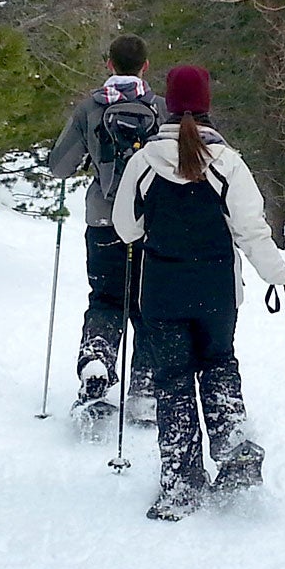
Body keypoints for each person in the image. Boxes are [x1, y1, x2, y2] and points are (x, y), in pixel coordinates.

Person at [111, 64, 285, 521]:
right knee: (218, 366)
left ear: (168, 105)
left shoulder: (143, 162)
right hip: (216, 292)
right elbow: (251, 230)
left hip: (161, 291)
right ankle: (234, 448)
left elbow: (125, 226)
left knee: (172, 382)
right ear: (208, 103)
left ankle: (180, 485)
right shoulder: (228, 163)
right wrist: (279, 274)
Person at [47, 34, 164, 428]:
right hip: (151, 223)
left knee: (106, 299)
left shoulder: (90, 109)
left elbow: (60, 166)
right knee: (149, 305)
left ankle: (96, 360)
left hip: (103, 219)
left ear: (109, 65)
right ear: (145, 66)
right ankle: (145, 393)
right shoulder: (160, 109)